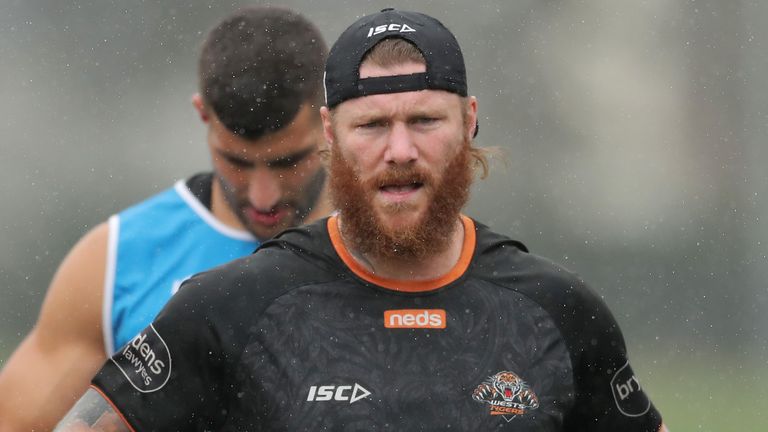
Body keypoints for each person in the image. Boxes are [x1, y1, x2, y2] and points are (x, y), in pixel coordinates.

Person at [54, 8, 668, 431]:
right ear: (330, 135)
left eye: (424, 121)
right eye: (372, 125)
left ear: (470, 120)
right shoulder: (229, 307)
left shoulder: (559, 311)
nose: (399, 150)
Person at [0, 6, 331, 431]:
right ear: (202, 113)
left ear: (330, 119)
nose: (262, 195)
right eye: (237, 162)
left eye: (288, 161)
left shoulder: (394, 245)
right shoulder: (116, 261)